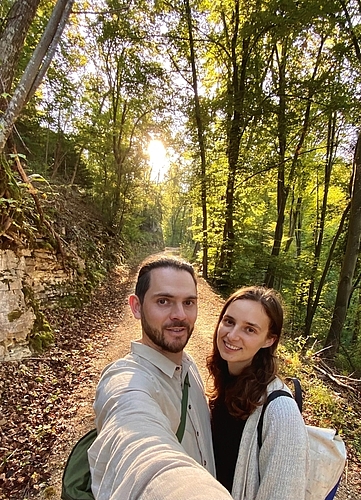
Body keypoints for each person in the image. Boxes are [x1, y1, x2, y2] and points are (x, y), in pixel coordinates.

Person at [88, 256, 232, 500]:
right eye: (163, 301)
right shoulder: (124, 381)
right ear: (136, 306)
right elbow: (139, 445)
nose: (180, 315)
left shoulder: (188, 365)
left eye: (189, 302)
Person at [207, 286, 309, 500]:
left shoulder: (281, 412)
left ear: (269, 339)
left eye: (249, 329)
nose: (232, 335)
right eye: (229, 321)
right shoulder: (225, 385)